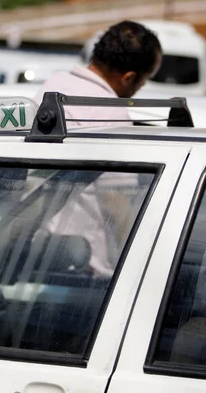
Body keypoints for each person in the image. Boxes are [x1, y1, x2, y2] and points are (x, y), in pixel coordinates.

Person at [34, 21, 162, 279]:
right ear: (128, 77)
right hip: (87, 266)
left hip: (41, 250)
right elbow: (115, 201)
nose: (141, 88)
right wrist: (141, 264)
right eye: (143, 82)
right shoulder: (111, 112)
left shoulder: (53, 86)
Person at [35, 20, 162, 128]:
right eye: (145, 80)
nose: (143, 85)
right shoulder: (115, 116)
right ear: (128, 78)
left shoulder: (55, 82)